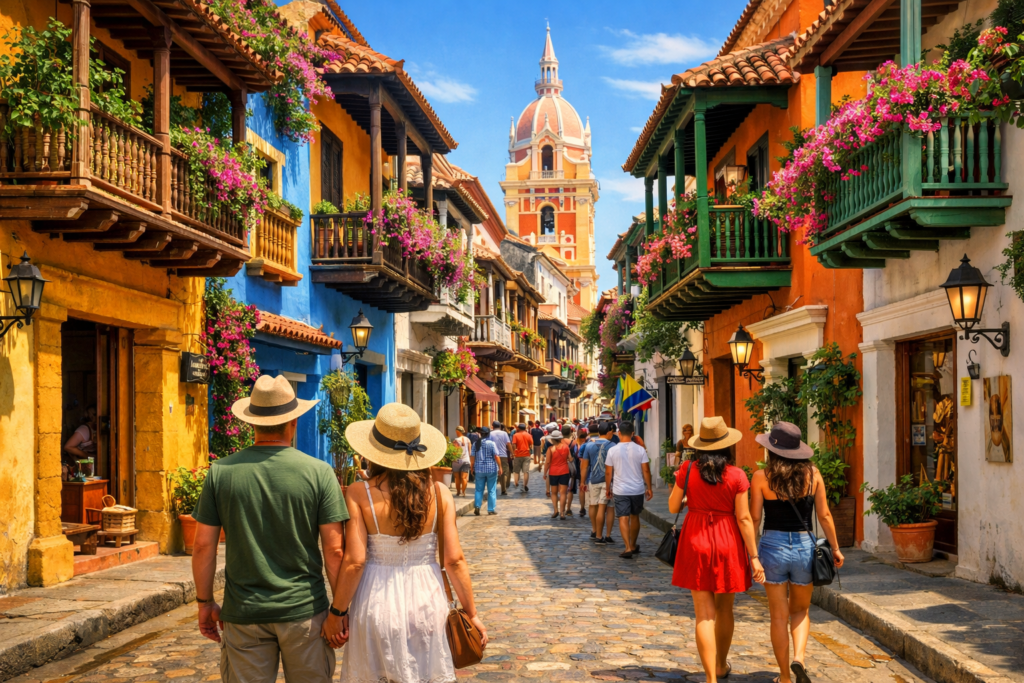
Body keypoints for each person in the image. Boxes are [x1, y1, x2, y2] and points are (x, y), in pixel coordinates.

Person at [191, 375, 347, 682]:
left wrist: (204, 602)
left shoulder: (221, 472)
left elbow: (203, 546)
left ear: (252, 424)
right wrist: (339, 611)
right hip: (305, 612)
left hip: (244, 613)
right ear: (294, 422)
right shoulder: (320, 473)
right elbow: (335, 550)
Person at [323, 403, 488, 682]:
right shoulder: (439, 492)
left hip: (375, 599)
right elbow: (454, 560)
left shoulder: (358, 493)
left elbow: (355, 561)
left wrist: (337, 612)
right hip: (428, 598)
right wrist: (471, 614)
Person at [670, 416, 764, 683]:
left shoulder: (687, 470)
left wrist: (691, 497)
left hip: (696, 539)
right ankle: (721, 665)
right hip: (728, 541)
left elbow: (673, 508)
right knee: (725, 609)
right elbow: (745, 518)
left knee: (704, 614)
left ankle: (711, 678)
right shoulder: (736, 475)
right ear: (727, 446)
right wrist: (754, 557)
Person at [750, 421, 844, 683]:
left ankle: (784, 677)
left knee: (778, 615)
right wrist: (835, 548)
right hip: (805, 547)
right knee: (800, 611)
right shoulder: (813, 474)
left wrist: (752, 554)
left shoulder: (761, 477)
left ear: (772, 450)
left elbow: (754, 519)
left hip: (772, 548)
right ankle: (799, 659)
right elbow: (824, 515)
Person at [605, 421, 653, 559]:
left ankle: (627, 548)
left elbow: (608, 472)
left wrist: (608, 488)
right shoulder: (640, 449)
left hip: (620, 489)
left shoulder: (612, 450)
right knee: (635, 516)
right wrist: (649, 488)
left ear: (619, 433)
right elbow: (646, 470)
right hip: (637, 489)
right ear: (633, 434)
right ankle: (633, 544)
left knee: (623, 517)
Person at [581, 421, 616, 544]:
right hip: (609, 481)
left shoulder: (589, 445)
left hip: (593, 479)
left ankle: (595, 530)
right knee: (608, 508)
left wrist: (582, 481)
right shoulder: (612, 446)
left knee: (593, 505)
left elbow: (584, 466)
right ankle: (605, 535)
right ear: (608, 432)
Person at [470, 426, 502, 516]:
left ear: (480, 433)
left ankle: (477, 506)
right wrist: (500, 467)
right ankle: (491, 509)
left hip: (479, 469)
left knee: (479, 489)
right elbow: (496, 456)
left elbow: (472, 457)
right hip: (491, 469)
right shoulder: (492, 444)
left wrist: (472, 467)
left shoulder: (475, 444)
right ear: (488, 434)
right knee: (491, 489)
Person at [542, 430, 572, 519]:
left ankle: (555, 510)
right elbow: (570, 459)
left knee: (554, 493)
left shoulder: (550, 449)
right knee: (563, 493)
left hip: (553, 472)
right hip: (564, 471)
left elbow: (547, 462)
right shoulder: (566, 447)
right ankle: (562, 512)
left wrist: (544, 473)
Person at [63, 406, 98, 478]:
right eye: (94, 415)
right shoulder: (84, 430)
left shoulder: (96, 428)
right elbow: (68, 447)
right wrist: (86, 455)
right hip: (84, 467)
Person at [489, 420, 512, 496]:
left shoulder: (490, 433)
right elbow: (508, 444)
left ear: (493, 426)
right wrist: (512, 453)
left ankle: (493, 489)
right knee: (504, 473)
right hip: (503, 455)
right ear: (500, 426)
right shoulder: (504, 433)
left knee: (493, 472)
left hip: (493, 455)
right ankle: (503, 489)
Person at [573, 427, 590, 517]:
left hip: (580, 467)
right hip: (590, 467)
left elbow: (577, 457)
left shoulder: (576, 444)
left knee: (582, 487)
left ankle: (582, 507)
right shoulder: (589, 443)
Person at [511, 423, 534, 492]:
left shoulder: (515, 435)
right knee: (526, 471)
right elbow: (531, 444)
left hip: (517, 455)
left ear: (518, 428)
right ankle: (525, 485)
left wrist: (513, 453)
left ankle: (516, 483)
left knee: (516, 470)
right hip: (526, 454)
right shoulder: (529, 435)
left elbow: (514, 444)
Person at [451, 426, 472, 497]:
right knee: (464, 477)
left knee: (457, 478)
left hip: (456, 461)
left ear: (457, 432)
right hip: (466, 460)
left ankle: (458, 492)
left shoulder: (455, 440)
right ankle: (463, 492)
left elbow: (454, 452)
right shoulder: (468, 440)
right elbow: (470, 452)